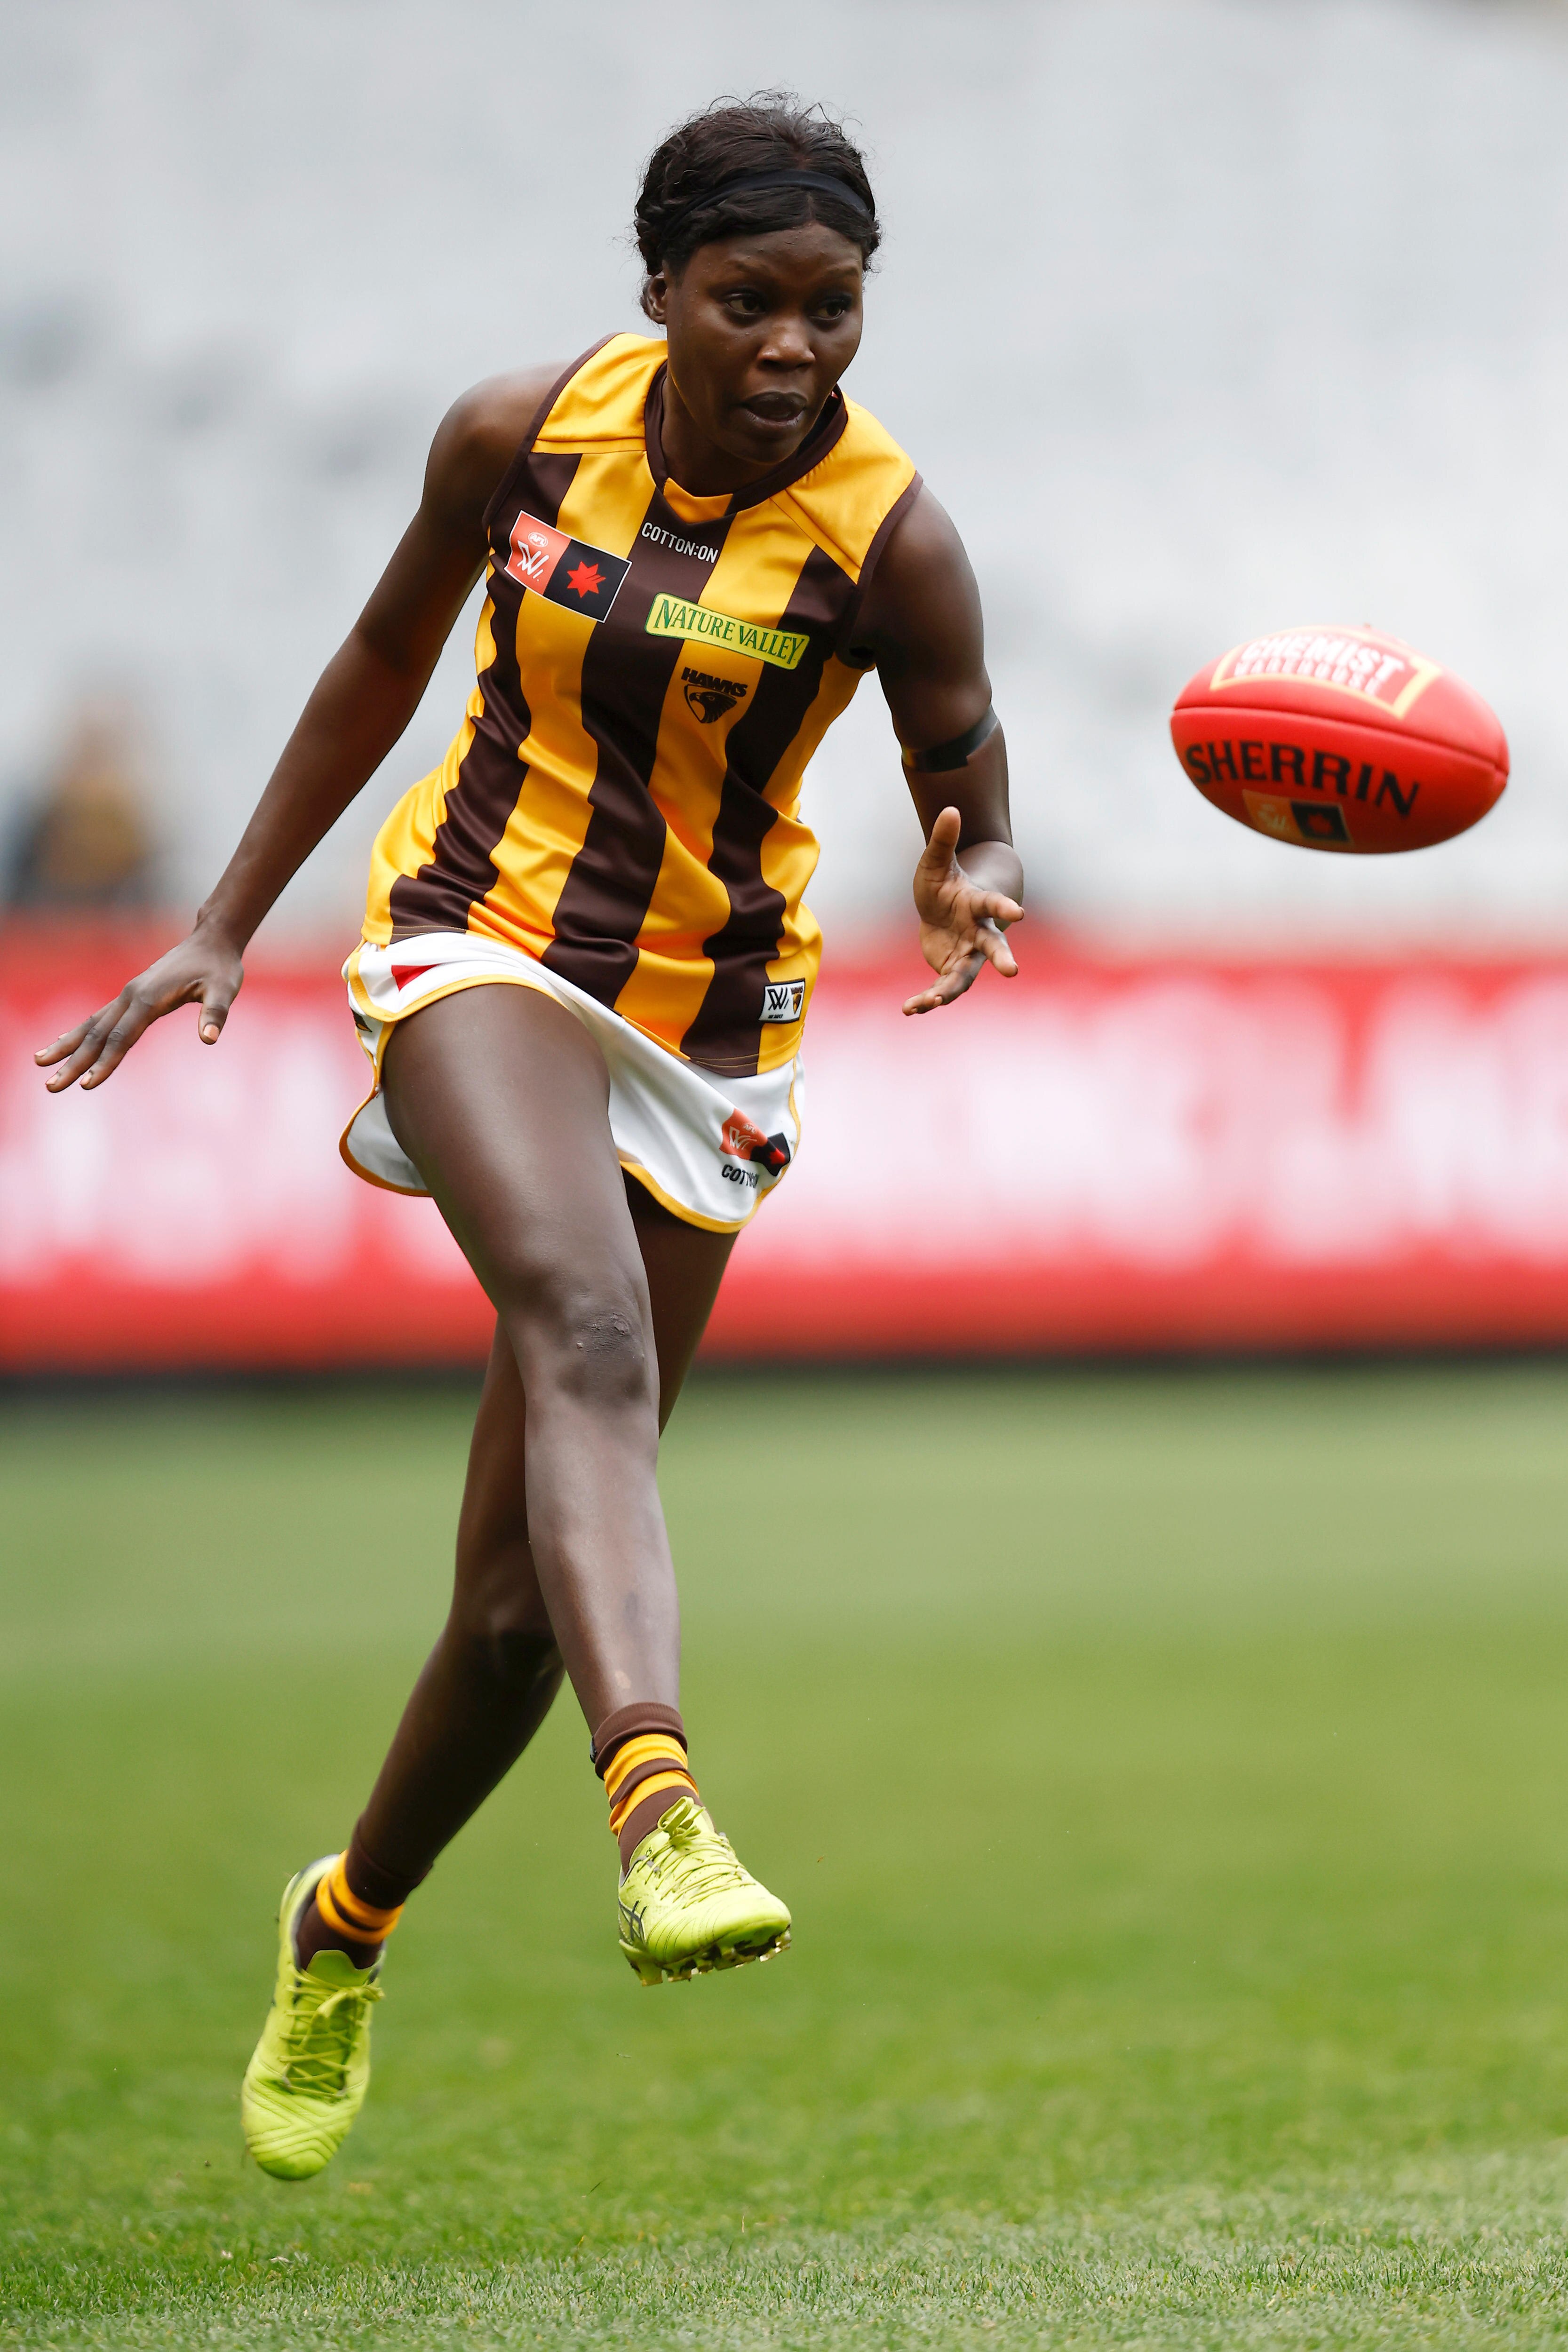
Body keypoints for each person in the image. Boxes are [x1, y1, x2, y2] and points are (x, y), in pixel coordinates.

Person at [34, 94, 1024, 2181]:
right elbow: (383, 655)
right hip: (476, 935)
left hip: (714, 1019)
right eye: (749, 301)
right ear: (661, 288)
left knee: (506, 1614)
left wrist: (973, 874)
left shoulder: (892, 535)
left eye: (834, 307)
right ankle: (661, 1805)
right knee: (586, 1329)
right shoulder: (519, 435)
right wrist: (222, 921)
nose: (794, 346)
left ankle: (342, 1924)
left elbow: (964, 761)